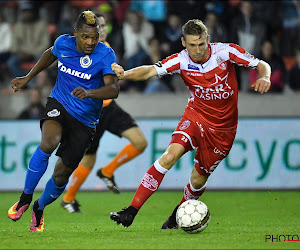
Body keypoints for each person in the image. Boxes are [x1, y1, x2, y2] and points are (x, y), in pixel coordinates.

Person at [109, 19, 271, 229]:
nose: (197, 50)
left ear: (208, 40)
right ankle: (131, 211)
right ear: (184, 43)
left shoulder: (225, 52)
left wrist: (265, 76)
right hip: (195, 117)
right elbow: (150, 70)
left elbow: (260, 64)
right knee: (169, 156)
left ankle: (179, 212)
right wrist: (125, 74)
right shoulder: (181, 60)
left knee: (197, 180)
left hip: (223, 130)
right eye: (192, 45)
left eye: (201, 44)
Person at [7, 10, 119, 232]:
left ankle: (39, 208)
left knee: (61, 175)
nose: (90, 42)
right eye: (85, 37)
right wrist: (28, 78)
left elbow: (114, 89)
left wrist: (89, 93)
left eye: (94, 37)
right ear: (75, 33)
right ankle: (25, 198)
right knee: (49, 142)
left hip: (85, 121)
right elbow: (50, 53)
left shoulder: (105, 54)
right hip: (60, 103)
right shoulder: (63, 43)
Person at [60, 13, 147, 213]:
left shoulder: (108, 50)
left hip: (111, 109)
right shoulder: (84, 52)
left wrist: (120, 74)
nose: (103, 28)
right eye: (98, 25)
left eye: (104, 25)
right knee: (87, 159)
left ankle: (107, 171)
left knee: (140, 142)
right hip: (92, 111)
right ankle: (68, 198)